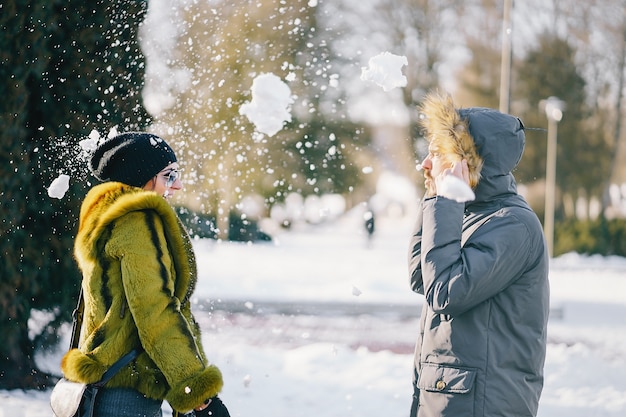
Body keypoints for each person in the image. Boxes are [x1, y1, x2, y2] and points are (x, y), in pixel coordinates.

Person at [61, 132, 230, 417]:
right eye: (168, 175)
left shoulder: (109, 217)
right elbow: (155, 312)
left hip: (106, 383)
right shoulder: (138, 221)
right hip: (128, 391)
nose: (177, 185)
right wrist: (197, 393)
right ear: (142, 177)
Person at [408, 92, 549, 417]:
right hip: (451, 396)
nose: (425, 164)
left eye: (435, 154)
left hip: (482, 403)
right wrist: (435, 201)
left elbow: (446, 292)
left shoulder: (513, 225)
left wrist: (446, 203)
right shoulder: (467, 214)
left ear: (466, 162)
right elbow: (421, 277)